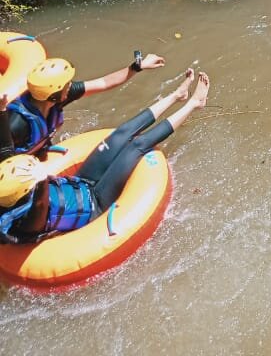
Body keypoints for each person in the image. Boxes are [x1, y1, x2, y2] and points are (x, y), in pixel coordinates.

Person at [0, 70, 209, 244]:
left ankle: (176, 95)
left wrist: (1, 110)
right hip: (96, 203)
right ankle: (194, 103)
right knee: (137, 145)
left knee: (121, 133)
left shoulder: (8, 189)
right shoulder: (29, 222)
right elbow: (39, 204)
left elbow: (5, 150)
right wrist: (42, 178)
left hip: (80, 181)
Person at [7, 50, 166, 156]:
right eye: (67, 84)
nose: (71, 85)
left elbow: (104, 82)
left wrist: (138, 66)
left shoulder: (57, 96)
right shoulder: (16, 124)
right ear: (54, 95)